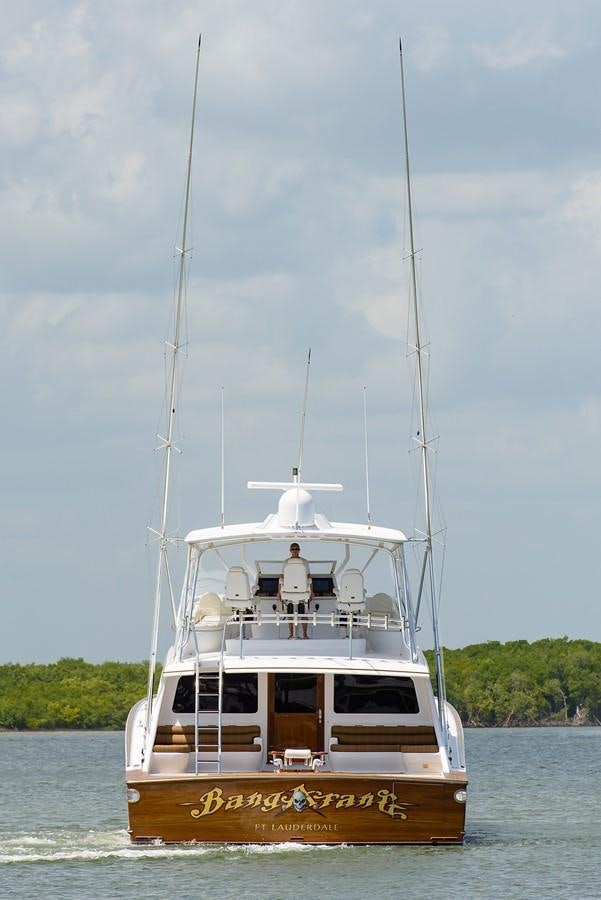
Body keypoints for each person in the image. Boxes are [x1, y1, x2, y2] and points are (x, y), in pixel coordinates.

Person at [279, 543, 311, 639]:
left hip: (301, 593)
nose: (295, 550)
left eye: (296, 548)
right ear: (290, 550)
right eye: (293, 549)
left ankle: (305, 634)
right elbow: (281, 577)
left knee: (303, 615)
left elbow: (309, 577)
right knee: (290, 615)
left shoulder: (305, 562)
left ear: (299, 550)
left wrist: (311, 591)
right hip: (290, 593)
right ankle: (291, 634)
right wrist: (279, 592)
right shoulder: (285, 562)